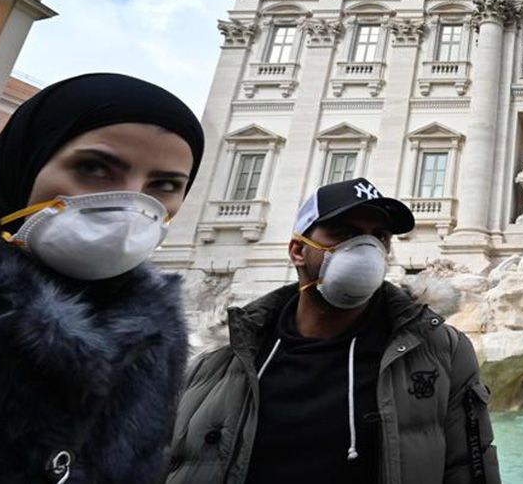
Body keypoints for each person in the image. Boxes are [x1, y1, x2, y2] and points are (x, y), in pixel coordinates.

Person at [167, 177, 500, 483]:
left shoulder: (441, 352)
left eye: (379, 237)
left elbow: (470, 468)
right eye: (346, 233)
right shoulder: (216, 364)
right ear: (298, 250)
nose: (367, 249)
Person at [0, 73, 204, 483]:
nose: (131, 202)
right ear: (25, 160)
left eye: (165, 185)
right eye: (93, 168)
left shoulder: (157, 342)